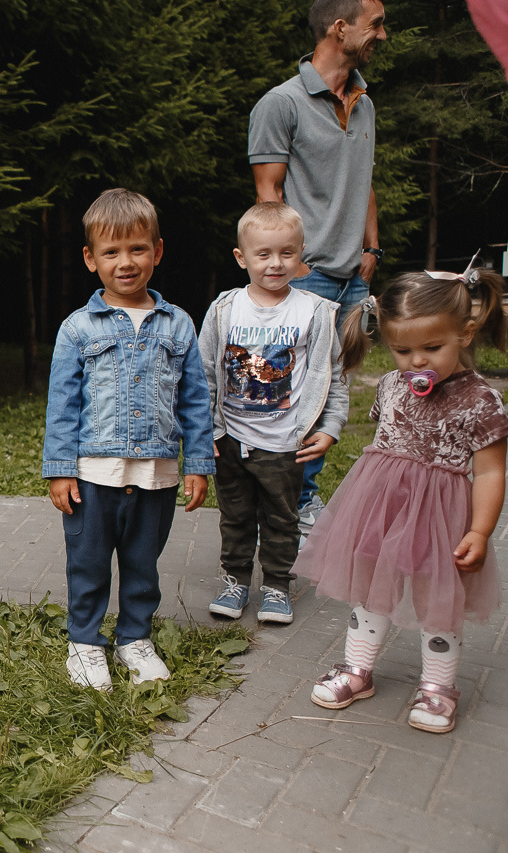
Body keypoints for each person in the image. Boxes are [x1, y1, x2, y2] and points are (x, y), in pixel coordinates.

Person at [295, 263, 508, 734]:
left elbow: (492, 470)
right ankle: (357, 668)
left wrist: (480, 529)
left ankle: (437, 685)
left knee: (439, 598)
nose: (417, 362)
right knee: (371, 585)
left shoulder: (481, 400)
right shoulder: (392, 385)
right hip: (381, 506)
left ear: (466, 333)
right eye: (402, 350)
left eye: (432, 348)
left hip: (442, 515)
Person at [41, 188, 215, 691]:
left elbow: (195, 400)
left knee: (143, 563)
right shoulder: (78, 328)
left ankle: (135, 637)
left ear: (157, 252)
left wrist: (198, 463)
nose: (126, 262)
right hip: (93, 475)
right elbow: (63, 404)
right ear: (90, 259)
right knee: (89, 563)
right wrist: (59, 469)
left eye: (137, 249)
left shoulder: (178, 324)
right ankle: (85, 643)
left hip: (157, 474)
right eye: (111, 252)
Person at [249, 0, 388, 530]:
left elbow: (364, 180)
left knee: (331, 394)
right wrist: (292, 266)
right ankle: (278, 510)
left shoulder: (365, 103)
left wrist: (371, 252)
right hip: (304, 276)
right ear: (340, 27)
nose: (382, 34)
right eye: (375, 24)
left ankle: (301, 504)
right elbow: (268, 194)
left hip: (353, 277)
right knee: (286, 392)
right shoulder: (280, 104)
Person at [199, 203, 348, 624]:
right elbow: (204, 373)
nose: (275, 263)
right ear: (241, 257)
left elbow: (333, 377)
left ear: (301, 253)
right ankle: (235, 581)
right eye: (263, 254)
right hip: (230, 439)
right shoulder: (225, 309)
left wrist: (331, 427)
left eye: (286, 252)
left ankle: (277, 586)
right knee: (236, 516)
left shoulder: (314, 312)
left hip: (286, 442)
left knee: (283, 518)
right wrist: (203, 432)